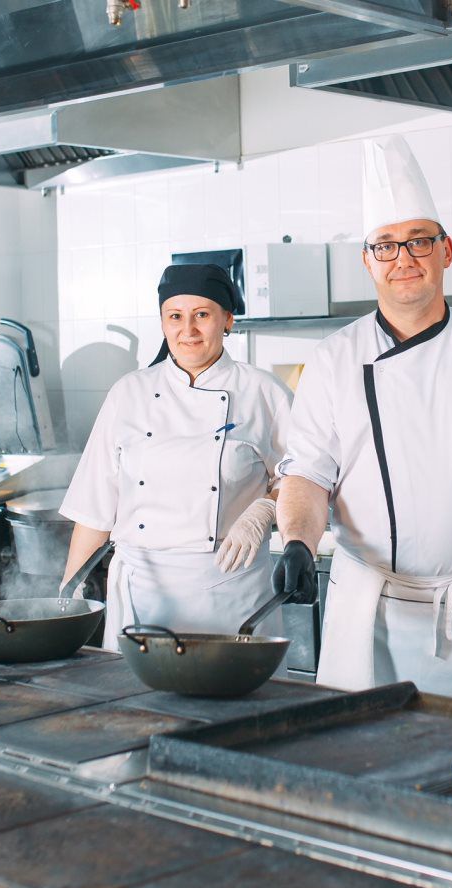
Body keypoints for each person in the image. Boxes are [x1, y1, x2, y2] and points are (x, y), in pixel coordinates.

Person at [273, 136, 452, 698]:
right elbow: (308, 473)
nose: (404, 259)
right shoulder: (334, 358)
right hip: (367, 609)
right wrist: (296, 541)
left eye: (418, 241)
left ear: (447, 250)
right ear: (367, 261)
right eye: (385, 246)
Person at [60, 264, 294, 637]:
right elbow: (93, 509)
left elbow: (304, 478)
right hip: (143, 594)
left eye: (202, 315)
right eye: (175, 317)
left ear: (227, 320)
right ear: (162, 323)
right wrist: (68, 596)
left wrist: (264, 510)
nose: (188, 330)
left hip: (232, 591)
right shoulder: (128, 393)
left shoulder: (264, 393)